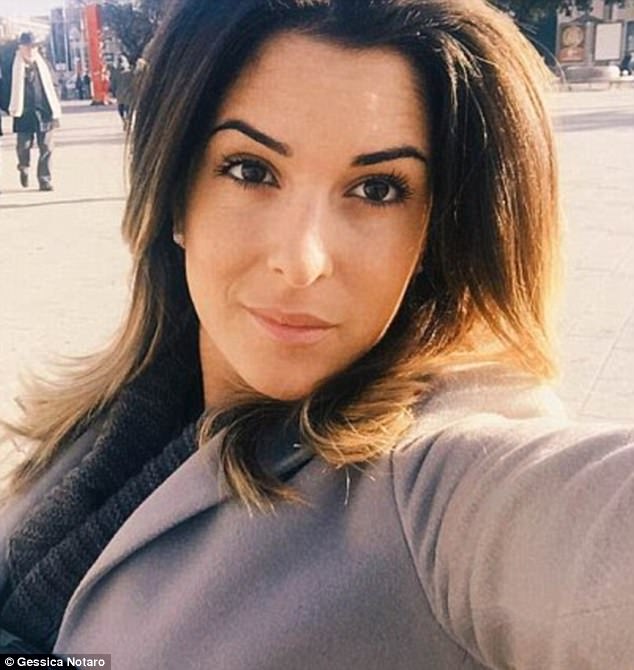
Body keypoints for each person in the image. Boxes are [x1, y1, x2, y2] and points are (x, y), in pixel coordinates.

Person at [0, 1, 633, 667]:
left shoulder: (435, 490)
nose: (301, 261)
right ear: (175, 196)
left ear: (437, 233)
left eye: (378, 189)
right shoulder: (121, 412)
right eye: (250, 170)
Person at [5, 32, 61, 192]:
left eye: (33, 47)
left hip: (45, 111)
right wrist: (8, 106)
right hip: (24, 113)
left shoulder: (44, 65)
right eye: (27, 47)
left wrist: (55, 101)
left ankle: (44, 179)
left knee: (47, 147)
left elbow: (54, 84)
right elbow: (5, 88)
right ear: (20, 48)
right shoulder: (13, 66)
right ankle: (23, 166)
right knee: (23, 146)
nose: (31, 50)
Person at [109, 56, 134, 129]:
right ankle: (128, 119)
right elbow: (134, 82)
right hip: (128, 92)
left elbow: (113, 83)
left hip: (119, 93)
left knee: (121, 107)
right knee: (128, 107)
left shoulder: (115, 72)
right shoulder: (130, 72)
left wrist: (112, 91)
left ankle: (123, 119)